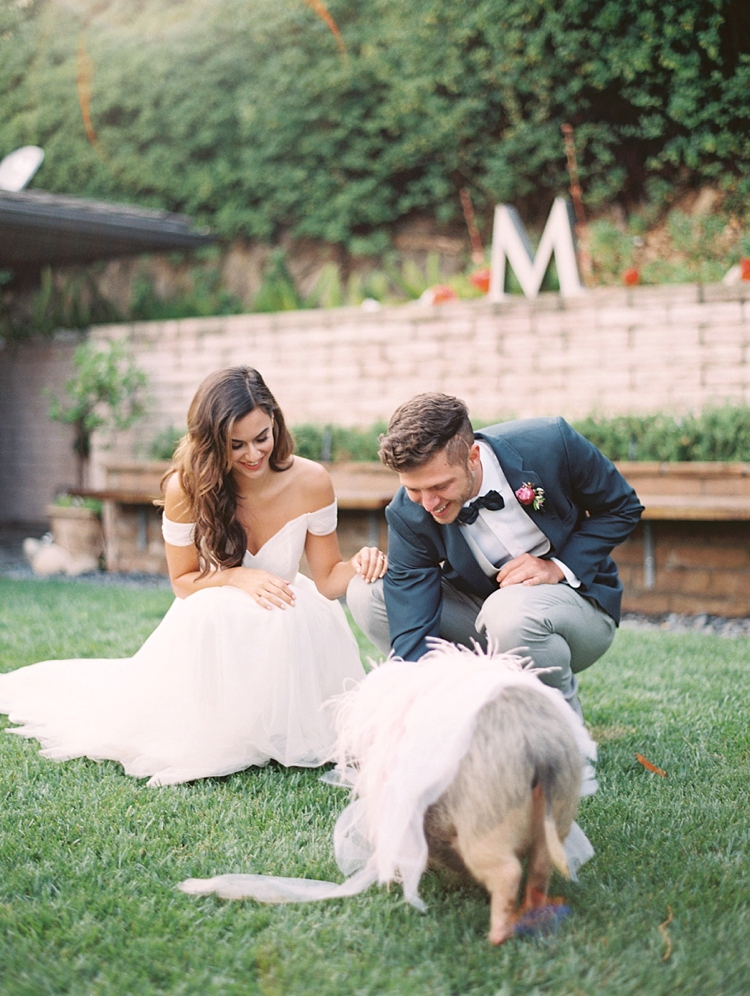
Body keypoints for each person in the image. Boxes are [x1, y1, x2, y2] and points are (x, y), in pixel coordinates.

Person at [0, 367, 386, 786]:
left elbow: (328, 579)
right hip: (215, 616)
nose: (253, 454)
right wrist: (236, 577)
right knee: (214, 610)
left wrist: (361, 562)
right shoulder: (187, 486)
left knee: (286, 611)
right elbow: (183, 581)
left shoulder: (311, 480)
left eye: (262, 437)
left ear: (276, 422)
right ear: (211, 440)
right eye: (235, 445)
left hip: (288, 615)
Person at [347, 393, 643, 719]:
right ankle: (458, 719)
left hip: (577, 611)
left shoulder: (550, 443)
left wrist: (558, 567)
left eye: (439, 486)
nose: (428, 504)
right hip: (480, 622)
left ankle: (565, 737)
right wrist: (414, 709)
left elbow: (621, 507)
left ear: (473, 456)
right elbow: (411, 632)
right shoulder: (408, 513)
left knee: (507, 612)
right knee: (368, 592)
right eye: (414, 490)